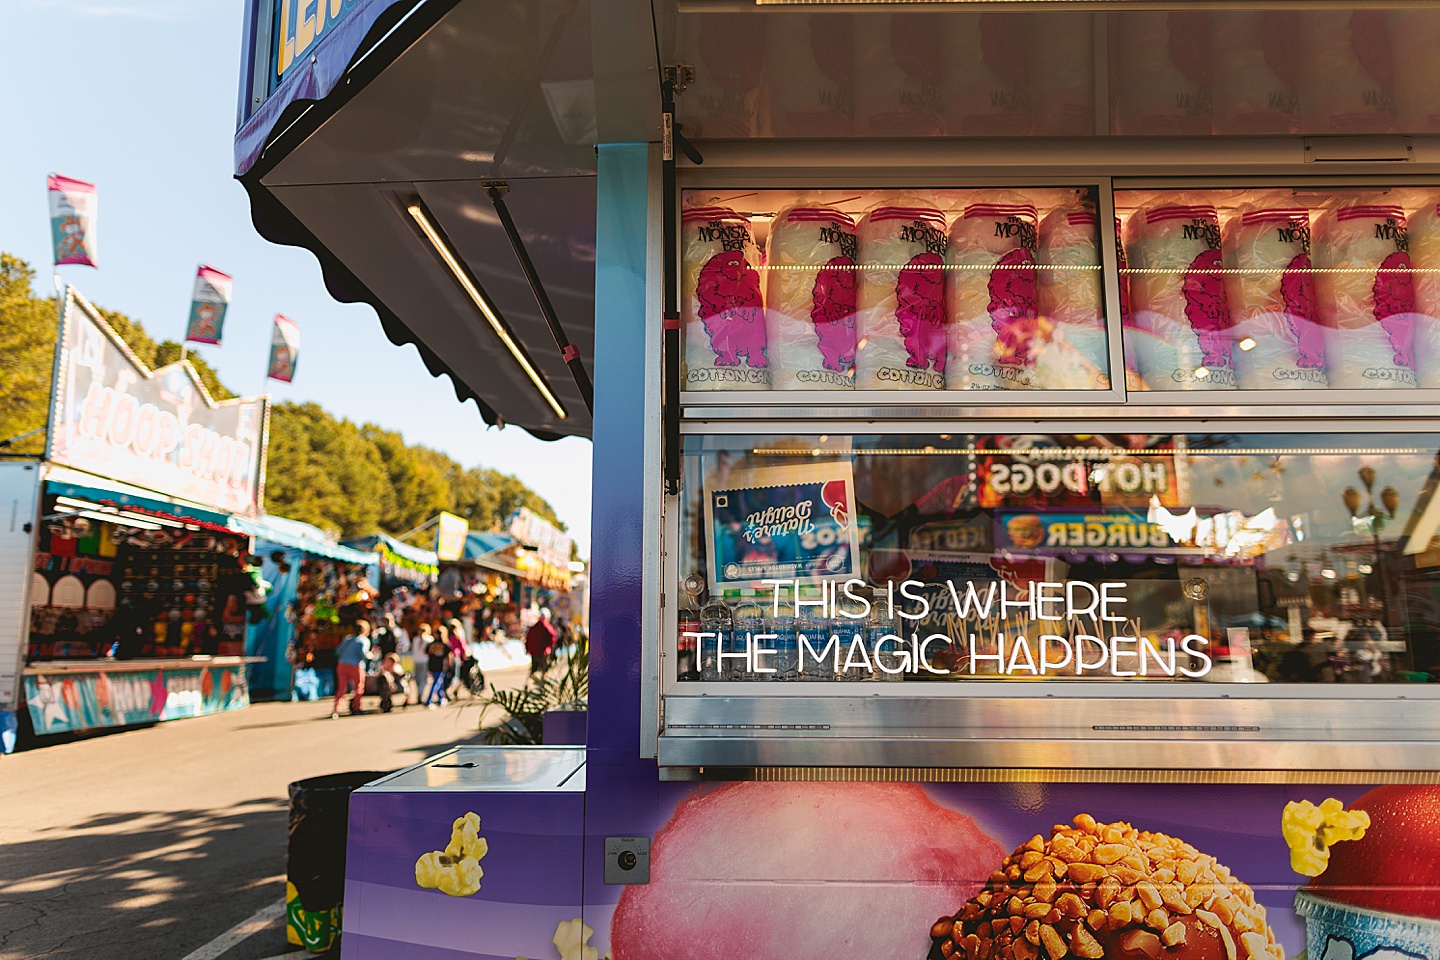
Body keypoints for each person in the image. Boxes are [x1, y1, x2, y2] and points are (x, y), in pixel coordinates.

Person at [332, 619, 373, 718]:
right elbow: (362, 654)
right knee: (358, 687)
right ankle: (356, 707)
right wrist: (370, 656)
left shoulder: (348, 639)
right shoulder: (364, 640)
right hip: (355, 666)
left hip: (342, 664)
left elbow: (338, 651)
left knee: (342, 687)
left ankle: (336, 708)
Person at [526, 608, 558, 675]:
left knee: (533, 670)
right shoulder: (547, 627)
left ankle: (528, 683)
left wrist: (528, 649)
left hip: (534, 652)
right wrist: (551, 647)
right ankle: (542, 683)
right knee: (544, 670)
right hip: (544, 652)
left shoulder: (533, 628)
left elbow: (528, 639)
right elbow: (553, 637)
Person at [424, 629, 451, 708]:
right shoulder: (444, 644)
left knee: (438, 682)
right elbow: (448, 655)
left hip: (432, 665)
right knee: (436, 683)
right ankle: (429, 700)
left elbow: (425, 652)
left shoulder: (432, 644)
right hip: (440, 665)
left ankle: (441, 698)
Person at [411, 622, 433, 702]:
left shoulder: (415, 639)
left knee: (418, 679)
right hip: (425, 661)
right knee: (423, 679)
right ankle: (421, 692)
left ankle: (419, 692)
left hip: (417, 661)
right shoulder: (430, 639)